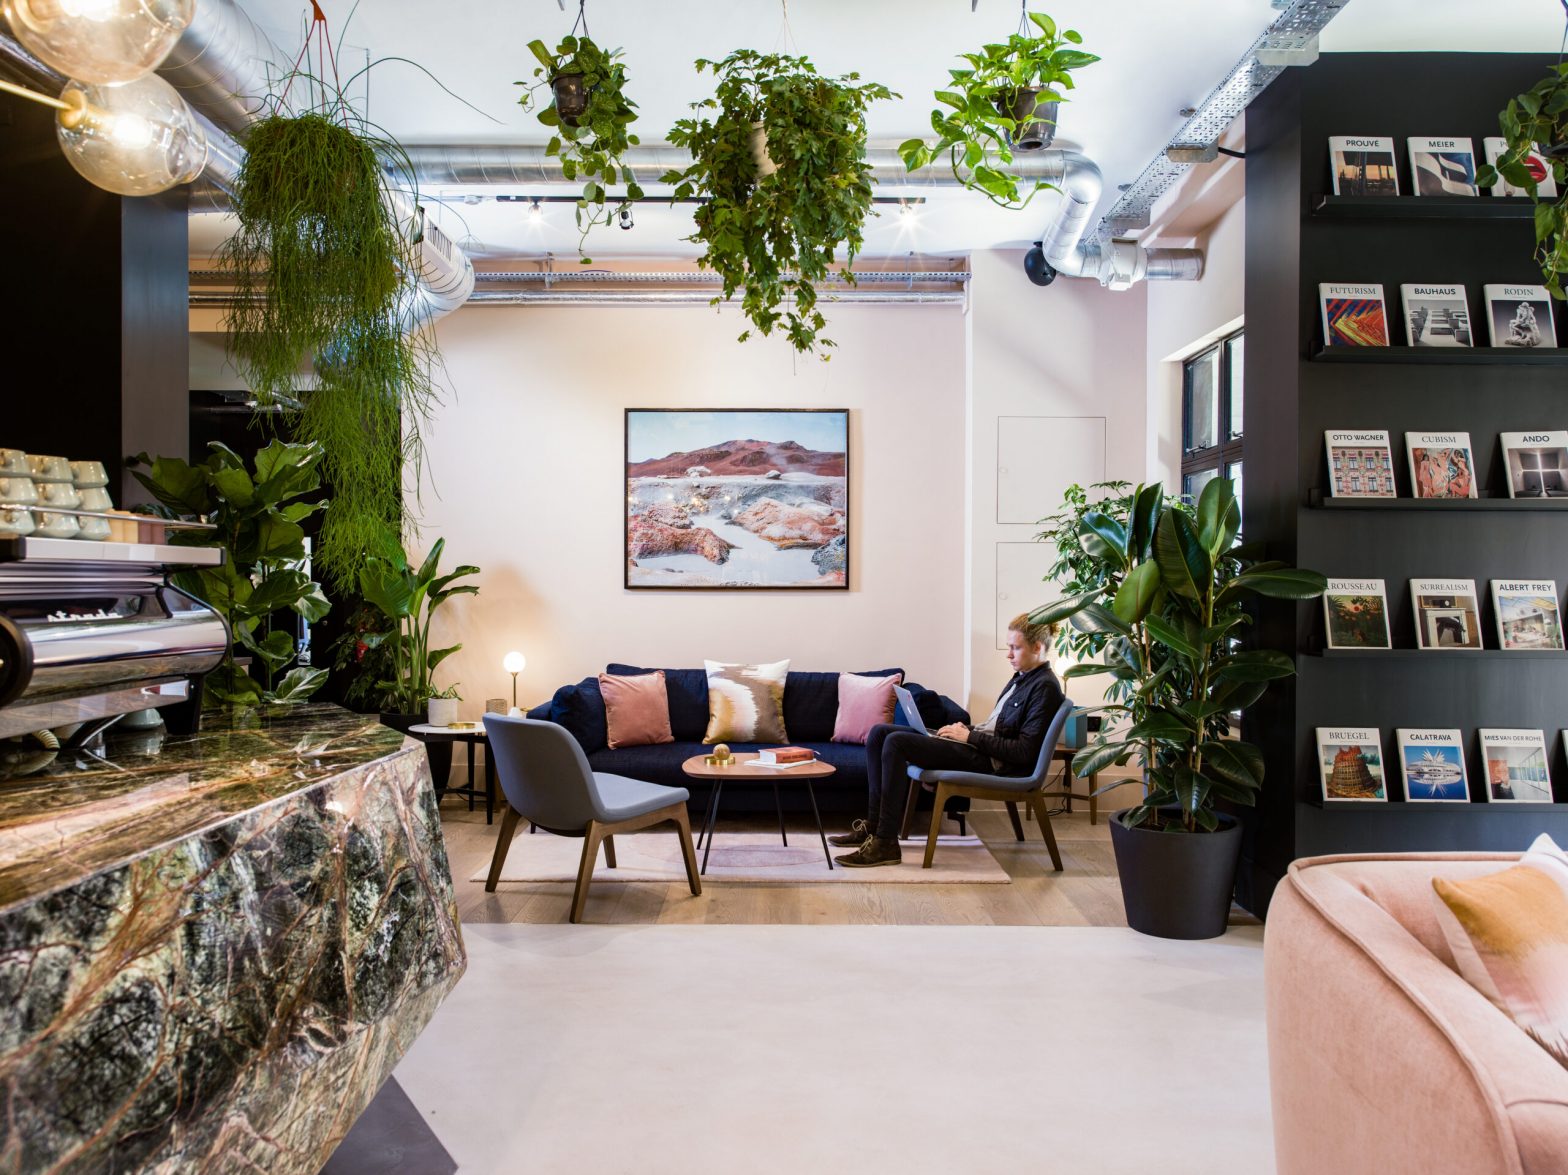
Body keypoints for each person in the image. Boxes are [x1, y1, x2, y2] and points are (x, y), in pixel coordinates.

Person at [831, 613, 1067, 868]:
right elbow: (998, 729)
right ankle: (874, 825)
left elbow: (1023, 751)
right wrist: (964, 730)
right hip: (979, 748)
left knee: (896, 743)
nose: (1008, 655)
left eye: (1015, 648)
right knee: (879, 733)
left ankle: (886, 842)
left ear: (1037, 647)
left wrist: (969, 736)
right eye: (1009, 647)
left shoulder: (1044, 687)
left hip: (995, 764)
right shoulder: (1021, 679)